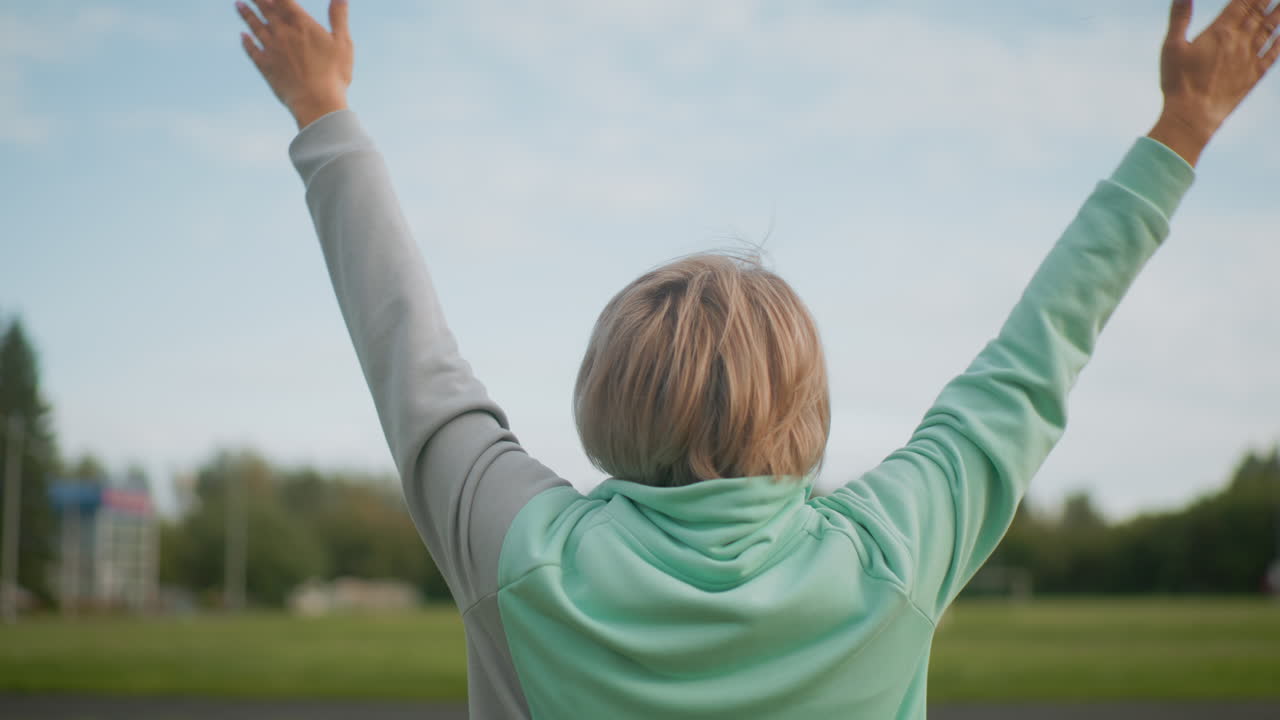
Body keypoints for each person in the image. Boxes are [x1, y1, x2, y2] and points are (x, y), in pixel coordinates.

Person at [237, 1, 1278, 717]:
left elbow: (405, 347)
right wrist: (1181, 126)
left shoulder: (521, 553)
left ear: (603, 403)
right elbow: (1034, 355)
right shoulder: (888, 555)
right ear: (807, 416)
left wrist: (322, 109)